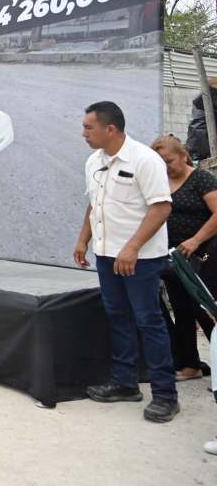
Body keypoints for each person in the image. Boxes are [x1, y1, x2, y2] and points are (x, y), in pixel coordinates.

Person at [74, 101, 179, 423]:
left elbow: (161, 208)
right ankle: (124, 382)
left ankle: (165, 395)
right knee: (117, 316)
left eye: (88, 128)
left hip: (140, 258)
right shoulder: (94, 161)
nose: (84, 134)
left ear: (110, 129)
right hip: (107, 255)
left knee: (149, 320)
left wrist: (132, 248)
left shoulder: (145, 160)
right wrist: (83, 240)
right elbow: (96, 205)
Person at [151, 135, 217, 381]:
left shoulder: (201, 179)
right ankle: (190, 364)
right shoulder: (158, 181)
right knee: (181, 310)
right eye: (160, 163)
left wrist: (196, 239)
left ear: (183, 156)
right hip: (173, 259)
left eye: (169, 161)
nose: (166, 167)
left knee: (205, 310)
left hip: (204, 255)